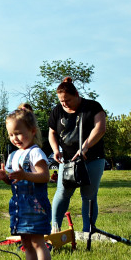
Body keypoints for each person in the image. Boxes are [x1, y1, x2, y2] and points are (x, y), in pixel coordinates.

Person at [0, 108, 56, 260]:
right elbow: (15, 180)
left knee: (38, 242)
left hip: (35, 206)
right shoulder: (13, 155)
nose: (15, 138)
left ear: (32, 131)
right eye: (11, 134)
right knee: (26, 243)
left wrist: (26, 175)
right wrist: (5, 178)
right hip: (19, 206)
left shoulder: (35, 152)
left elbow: (44, 176)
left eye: (19, 133)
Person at [48, 77, 107, 232]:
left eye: (67, 100)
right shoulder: (57, 111)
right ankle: (55, 228)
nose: (65, 104)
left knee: (88, 196)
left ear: (76, 94)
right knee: (62, 193)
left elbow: (100, 128)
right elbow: (52, 133)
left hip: (92, 158)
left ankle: (88, 230)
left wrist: (85, 146)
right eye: (61, 101)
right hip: (67, 160)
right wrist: (55, 150)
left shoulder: (92, 106)